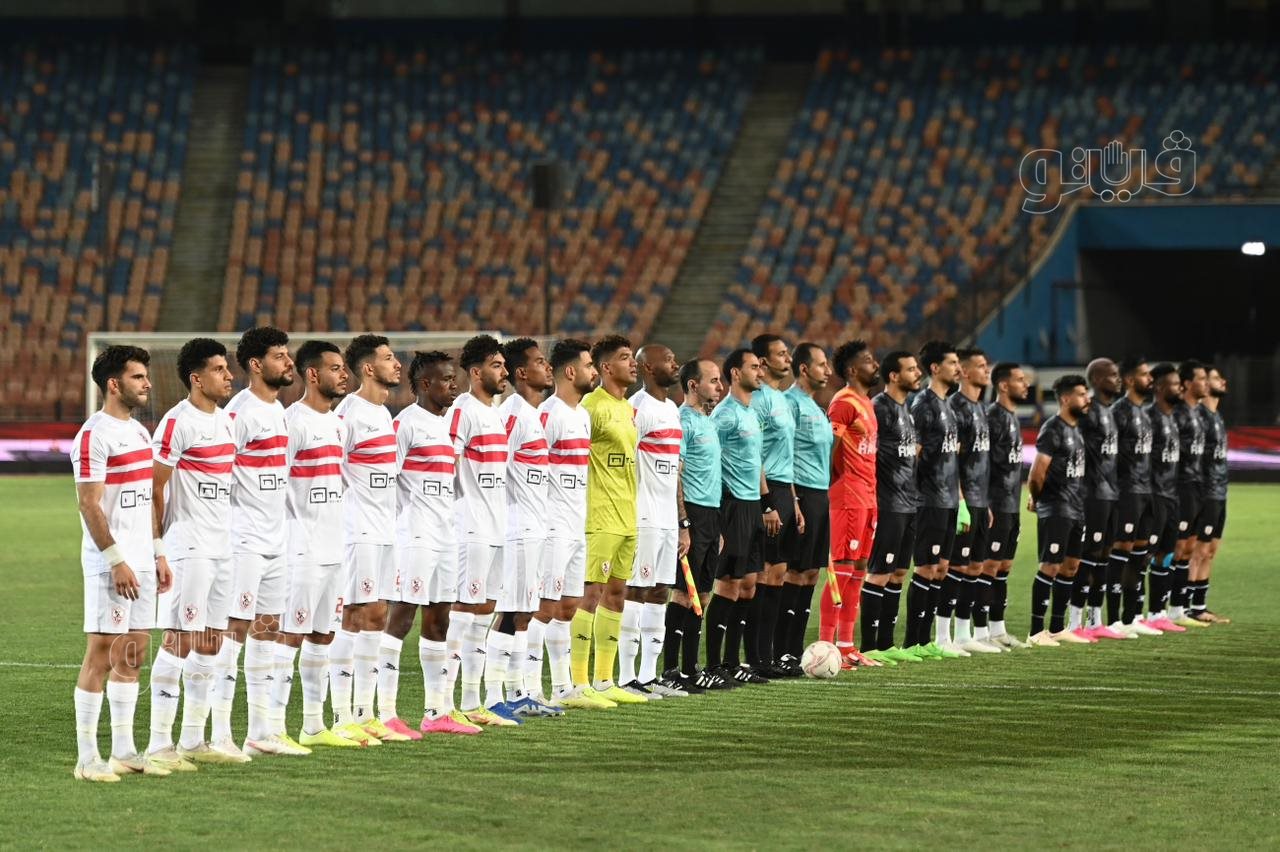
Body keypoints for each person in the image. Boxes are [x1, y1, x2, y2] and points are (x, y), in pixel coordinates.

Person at [71, 345, 172, 781]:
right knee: (101, 654)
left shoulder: (139, 433)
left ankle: (125, 751)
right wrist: (116, 560)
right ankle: (87, 758)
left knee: (132, 654)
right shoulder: (94, 435)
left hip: (143, 562)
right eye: (137, 377)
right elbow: (89, 504)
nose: (147, 383)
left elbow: (146, 498)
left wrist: (157, 551)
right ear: (114, 384)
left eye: (145, 376)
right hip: (110, 563)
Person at [148, 338, 243, 765]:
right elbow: (154, 488)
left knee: (211, 641)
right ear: (197, 378)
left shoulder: (227, 422)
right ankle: (158, 744)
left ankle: (192, 741)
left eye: (227, 368)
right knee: (179, 640)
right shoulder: (177, 422)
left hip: (222, 546)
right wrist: (158, 549)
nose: (228, 376)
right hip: (188, 546)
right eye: (219, 369)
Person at [221, 326, 309, 756]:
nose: (289, 362)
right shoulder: (239, 413)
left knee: (268, 629)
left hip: (277, 539)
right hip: (244, 540)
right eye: (279, 356)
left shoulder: (279, 411)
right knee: (233, 632)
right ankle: (219, 734)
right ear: (256, 365)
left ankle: (260, 732)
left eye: (288, 355)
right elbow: (217, 472)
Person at [279, 340, 369, 747]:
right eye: (335, 368)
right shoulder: (292, 423)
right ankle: (271, 728)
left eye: (344, 367)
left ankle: (313, 727)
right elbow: (275, 485)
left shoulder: (337, 424)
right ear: (312, 374)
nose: (344, 374)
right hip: (301, 548)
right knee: (289, 637)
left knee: (323, 636)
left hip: (334, 547)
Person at [389, 351, 483, 736]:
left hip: (446, 535)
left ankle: (435, 712)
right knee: (401, 617)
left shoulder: (445, 427)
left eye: (453, 377)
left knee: (440, 617)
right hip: (414, 535)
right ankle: (385, 712)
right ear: (425, 384)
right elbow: (388, 482)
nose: (454, 384)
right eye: (446, 379)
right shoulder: (405, 424)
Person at [332, 335, 409, 742]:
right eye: (388, 358)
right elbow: (332, 470)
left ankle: (365, 713)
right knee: (353, 616)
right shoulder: (349, 412)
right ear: (367, 368)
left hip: (384, 531)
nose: (396, 364)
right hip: (356, 530)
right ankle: (342, 717)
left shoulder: (383, 414)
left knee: (378, 616)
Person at [445, 334, 521, 726]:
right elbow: (447, 463)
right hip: (470, 526)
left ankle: (473, 703)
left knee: (484, 613)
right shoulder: (463, 409)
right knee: (463, 612)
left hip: (497, 527)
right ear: (476, 372)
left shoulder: (496, 413)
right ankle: (442, 704)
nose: (504, 371)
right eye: (496, 365)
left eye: (504, 365)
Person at [537, 339, 615, 709]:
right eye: (588, 365)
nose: (594, 372)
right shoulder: (548, 414)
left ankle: (563, 687)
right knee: (542, 608)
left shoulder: (582, 415)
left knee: (568, 606)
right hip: (551, 524)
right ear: (570, 372)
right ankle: (527, 688)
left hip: (576, 523)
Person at [571, 335, 648, 704]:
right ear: (605, 367)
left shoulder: (627, 409)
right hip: (599, 515)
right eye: (624, 357)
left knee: (617, 595)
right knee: (590, 595)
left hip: (627, 516)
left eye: (632, 357)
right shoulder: (591, 406)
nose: (633, 363)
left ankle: (604, 679)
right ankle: (577, 682)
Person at [492, 338, 561, 717]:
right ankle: (493, 695)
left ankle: (517, 691)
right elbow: (494, 472)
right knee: (509, 611)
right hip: (516, 528)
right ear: (521, 373)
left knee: (523, 613)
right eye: (539, 362)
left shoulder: (534, 415)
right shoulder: (513, 415)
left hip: (535, 527)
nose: (547, 367)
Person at [623, 343, 692, 697]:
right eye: (668, 360)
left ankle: (649, 676)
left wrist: (682, 522)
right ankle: (626, 677)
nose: (675, 363)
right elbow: (624, 463)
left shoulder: (672, 410)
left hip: (666, 519)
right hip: (643, 516)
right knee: (636, 590)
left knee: (660, 592)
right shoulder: (637, 408)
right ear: (648, 367)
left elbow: (675, 471)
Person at [706, 348, 771, 685]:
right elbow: (709, 461)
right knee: (729, 584)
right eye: (754, 367)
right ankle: (714, 664)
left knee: (748, 585)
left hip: (753, 505)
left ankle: (733, 662)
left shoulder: (751, 413)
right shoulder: (725, 415)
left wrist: (767, 503)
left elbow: (756, 461)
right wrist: (716, 515)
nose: (760, 372)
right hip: (731, 506)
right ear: (735, 373)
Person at [665, 358, 730, 691]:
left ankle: (691, 669)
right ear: (693, 385)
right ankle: (671, 671)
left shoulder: (707, 421)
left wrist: (716, 527)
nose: (720, 386)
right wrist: (683, 523)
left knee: (702, 595)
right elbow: (675, 475)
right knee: (682, 593)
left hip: (711, 516)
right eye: (714, 380)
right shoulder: (683, 421)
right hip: (692, 513)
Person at [860, 352, 923, 665]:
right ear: (894, 376)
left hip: (909, 503)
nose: (917, 373)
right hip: (887, 504)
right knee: (879, 574)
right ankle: (869, 645)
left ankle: (886, 644)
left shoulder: (907, 410)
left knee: (898, 573)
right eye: (911, 369)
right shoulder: (879, 408)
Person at [906, 341, 965, 659]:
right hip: (928, 500)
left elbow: (952, 458)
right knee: (926, 568)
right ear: (935, 368)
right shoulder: (923, 405)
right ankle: (913, 640)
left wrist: (960, 500)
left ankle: (928, 639)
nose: (958, 368)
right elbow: (913, 456)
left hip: (948, 501)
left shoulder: (948, 406)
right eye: (952, 363)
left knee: (941, 569)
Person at [824, 340, 880, 668]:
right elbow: (828, 450)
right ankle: (826, 646)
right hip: (847, 497)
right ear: (853, 370)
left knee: (858, 571)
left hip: (868, 497)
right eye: (870, 361)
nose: (876, 365)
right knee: (842, 570)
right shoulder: (843, 403)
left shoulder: (866, 402)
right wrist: (833, 486)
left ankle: (846, 646)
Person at [748, 334, 801, 678]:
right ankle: (756, 657)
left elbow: (786, 454)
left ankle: (768, 656)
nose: (788, 359)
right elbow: (753, 454)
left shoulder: (781, 398)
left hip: (784, 490)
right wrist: (767, 501)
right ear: (764, 362)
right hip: (765, 490)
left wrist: (793, 500)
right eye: (781, 354)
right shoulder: (759, 400)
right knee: (764, 574)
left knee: (778, 574)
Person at [780, 343, 834, 668]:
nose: (828, 371)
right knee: (794, 572)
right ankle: (782, 648)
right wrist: (794, 500)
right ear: (803, 369)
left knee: (811, 573)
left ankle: (796, 648)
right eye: (821, 364)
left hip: (820, 495)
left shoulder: (816, 406)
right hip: (800, 493)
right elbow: (782, 453)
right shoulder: (790, 403)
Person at [1026, 375, 1091, 646]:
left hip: (1076, 508)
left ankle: (1056, 627)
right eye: (1081, 394)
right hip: (1056, 507)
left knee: (1071, 567)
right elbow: (1036, 473)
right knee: (1050, 566)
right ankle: (1035, 632)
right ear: (1065, 399)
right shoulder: (1053, 428)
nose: (1087, 399)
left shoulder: (1076, 429)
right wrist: (1037, 499)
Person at [946, 348, 1001, 654]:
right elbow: (952, 460)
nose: (986, 370)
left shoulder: (981, 407)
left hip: (981, 500)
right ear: (965, 372)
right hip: (963, 501)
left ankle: (965, 633)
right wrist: (962, 501)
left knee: (976, 567)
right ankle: (945, 635)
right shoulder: (956, 407)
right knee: (956, 567)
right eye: (980, 365)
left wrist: (985, 502)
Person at [1072, 358, 1128, 641]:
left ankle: (1095, 619)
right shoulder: (1088, 412)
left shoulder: (1109, 412)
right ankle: (1074, 621)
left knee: (1104, 558)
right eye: (1112, 375)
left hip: (1111, 494)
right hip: (1091, 495)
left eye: (1118, 375)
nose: (1118, 379)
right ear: (1095, 379)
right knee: (1087, 558)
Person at [1108, 358, 1163, 636]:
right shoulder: (1119, 412)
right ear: (1129, 380)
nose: (1150, 379)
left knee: (1140, 557)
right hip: (1126, 492)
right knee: (1120, 554)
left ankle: (1131, 618)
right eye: (1144, 374)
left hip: (1146, 491)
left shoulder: (1144, 412)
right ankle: (1112, 619)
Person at [982, 362, 1029, 649]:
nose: (1026, 384)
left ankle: (997, 630)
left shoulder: (1012, 417)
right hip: (995, 504)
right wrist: (985, 502)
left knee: (1003, 567)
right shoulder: (993, 417)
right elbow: (981, 464)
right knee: (987, 566)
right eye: (1020, 380)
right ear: (1003, 385)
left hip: (1012, 504)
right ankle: (979, 632)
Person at [1142, 363, 1187, 632]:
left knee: (1166, 555)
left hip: (1171, 496)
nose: (1180, 388)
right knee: (1143, 556)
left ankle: (1157, 613)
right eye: (1174, 384)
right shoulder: (1149, 418)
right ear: (1159, 387)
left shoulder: (1172, 417)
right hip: (1153, 496)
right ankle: (1131, 616)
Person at [1168, 360, 1209, 629]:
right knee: (1177, 549)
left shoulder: (1198, 413)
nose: (1205, 383)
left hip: (1197, 486)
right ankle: (1160, 610)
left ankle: (1178, 608)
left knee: (1189, 549)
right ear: (1186, 383)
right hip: (1180, 487)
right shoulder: (1178, 414)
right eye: (1201, 379)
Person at [1189, 366, 1230, 623]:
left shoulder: (1216, 416)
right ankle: (1185, 607)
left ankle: (1199, 606)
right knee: (1198, 549)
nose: (1221, 381)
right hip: (1204, 491)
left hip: (1220, 490)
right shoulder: (1199, 417)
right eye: (1214, 378)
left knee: (1211, 549)